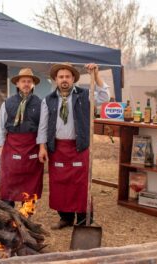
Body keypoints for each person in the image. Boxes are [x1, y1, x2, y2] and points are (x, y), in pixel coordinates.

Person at [37, 62, 110, 229]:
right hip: (57, 148)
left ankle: (84, 219)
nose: (64, 80)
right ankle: (66, 218)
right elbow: (43, 126)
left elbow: (105, 97)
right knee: (60, 184)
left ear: (73, 79)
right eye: (61, 77)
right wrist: (42, 147)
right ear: (55, 79)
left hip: (79, 147)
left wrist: (96, 75)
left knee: (81, 184)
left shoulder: (85, 95)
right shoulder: (48, 100)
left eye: (67, 77)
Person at [0, 68, 44, 207]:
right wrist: (0, 147)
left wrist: (42, 147)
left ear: (33, 84)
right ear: (17, 84)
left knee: (30, 184)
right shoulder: (7, 103)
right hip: (12, 147)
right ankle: (7, 215)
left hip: (32, 147)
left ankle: (25, 215)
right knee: (8, 182)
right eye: (23, 81)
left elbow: (42, 129)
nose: (26, 84)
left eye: (29, 81)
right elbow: (1, 127)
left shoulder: (41, 104)